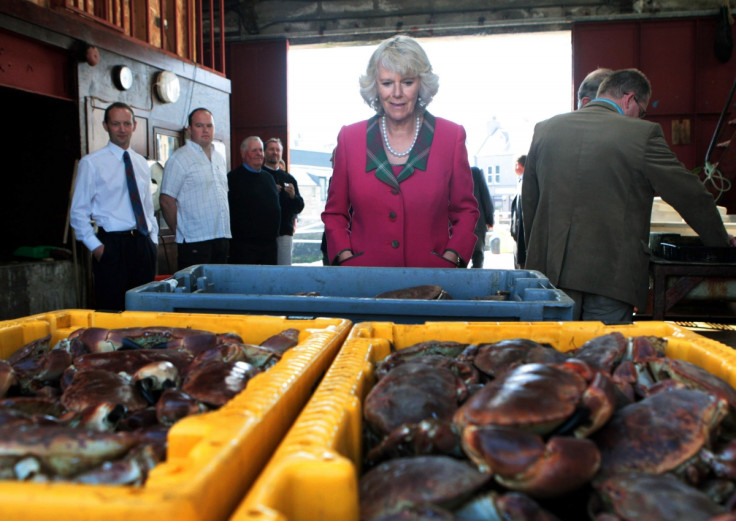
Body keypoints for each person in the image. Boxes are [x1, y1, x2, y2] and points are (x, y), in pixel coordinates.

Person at [523, 68, 734, 323]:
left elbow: (530, 205)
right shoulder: (641, 134)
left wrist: (534, 267)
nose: (640, 116)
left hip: (549, 275)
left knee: (551, 357)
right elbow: (689, 194)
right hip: (609, 277)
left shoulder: (545, 130)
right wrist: (720, 242)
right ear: (630, 99)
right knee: (604, 356)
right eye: (642, 110)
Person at [321, 35, 479, 267]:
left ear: (421, 84)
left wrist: (452, 257)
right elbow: (335, 214)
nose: (396, 93)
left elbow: (465, 210)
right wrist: (345, 257)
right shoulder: (350, 138)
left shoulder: (450, 137)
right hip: (364, 282)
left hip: (432, 281)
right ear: (375, 86)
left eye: (406, 82)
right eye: (386, 83)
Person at [70, 102, 159, 311]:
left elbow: (147, 208)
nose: (122, 129)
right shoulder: (91, 163)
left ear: (134, 126)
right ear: (105, 125)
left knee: (144, 311)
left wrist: (152, 241)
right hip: (112, 245)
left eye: (127, 124)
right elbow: (78, 213)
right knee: (112, 310)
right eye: (116, 124)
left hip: (142, 244)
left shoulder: (141, 164)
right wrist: (98, 248)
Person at [160, 107, 230, 270]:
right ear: (189, 129)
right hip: (194, 240)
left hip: (222, 236)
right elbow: (166, 200)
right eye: (200, 126)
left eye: (209, 126)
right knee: (197, 292)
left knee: (219, 291)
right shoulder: (179, 159)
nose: (205, 130)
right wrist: (182, 230)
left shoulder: (219, 158)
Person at [228, 136, 281, 264]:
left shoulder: (268, 178)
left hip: (270, 247)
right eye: (254, 150)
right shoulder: (233, 179)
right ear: (243, 153)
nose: (259, 154)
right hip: (245, 249)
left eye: (261, 150)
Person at [262, 138, 305, 265]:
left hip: (284, 232)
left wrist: (293, 196)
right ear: (264, 152)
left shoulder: (289, 178)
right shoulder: (259, 175)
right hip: (263, 234)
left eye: (278, 150)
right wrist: (269, 192)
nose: (275, 152)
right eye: (271, 149)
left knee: (284, 270)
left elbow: (299, 207)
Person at [470, 166, 494, 268]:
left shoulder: (451, 172)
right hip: (477, 224)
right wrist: (490, 220)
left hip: (455, 225)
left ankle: (459, 281)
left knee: (458, 258)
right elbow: (486, 197)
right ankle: (476, 281)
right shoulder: (475, 172)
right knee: (478, 256)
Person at [509, 155, 526, 269]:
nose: (515, 168)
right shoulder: (521, 182)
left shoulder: (526, 183)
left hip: (522, 235)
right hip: (518, 234)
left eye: (517, 165)